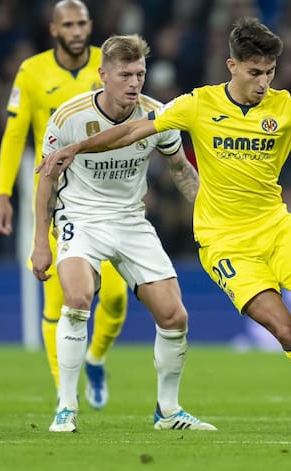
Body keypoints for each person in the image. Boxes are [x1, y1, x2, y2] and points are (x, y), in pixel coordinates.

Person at [37, 16, 291, 436]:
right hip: (224, 245)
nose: (264, 82)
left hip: (276, 229)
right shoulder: (197, 104)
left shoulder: (287, 108)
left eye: (270, 72)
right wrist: (76, 148)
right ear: (231, 66)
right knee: (285, 329)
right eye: (255, 72)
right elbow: (131, 131)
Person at [31, 33, 215, 433]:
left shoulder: (157, 115)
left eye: (140, 74)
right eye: (125, 75)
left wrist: (213, 214)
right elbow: (46, 179)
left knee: (174, 315)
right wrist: (39, 242)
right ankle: (66, 407)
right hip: (81, 218)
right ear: (103, 75)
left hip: (131, 221)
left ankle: (168, 411)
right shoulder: (68, 117)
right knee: (78, 298)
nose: (134, 83)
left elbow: (180, 170)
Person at [0, 0, 127, 409]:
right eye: (67, 25)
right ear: (54, 30)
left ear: (90, 25)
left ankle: (96, 357)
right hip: (58, 202)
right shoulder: (32, 72)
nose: (76, 31)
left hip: (107, 200)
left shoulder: (108, 64)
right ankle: (64, 396)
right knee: (59, 300)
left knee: (116, 296)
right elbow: (14, 136)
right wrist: (3, 194)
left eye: (81, 23)